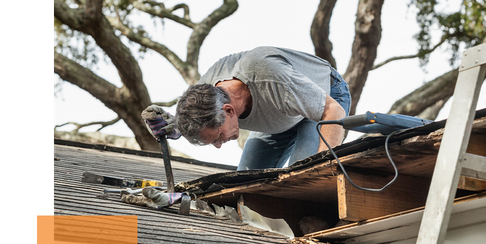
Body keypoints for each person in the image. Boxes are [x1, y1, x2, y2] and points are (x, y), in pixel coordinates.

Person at [142, 46, 351, 170]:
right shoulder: (205, 94)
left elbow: (333, 111)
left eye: (217, 138)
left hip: (325, 98)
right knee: (243, 183)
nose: (219, 145)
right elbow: (198, 124)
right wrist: (173, 126)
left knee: (304, 173)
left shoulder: (271, 78)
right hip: (281, 110)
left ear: (229, 110)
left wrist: (322, 172)